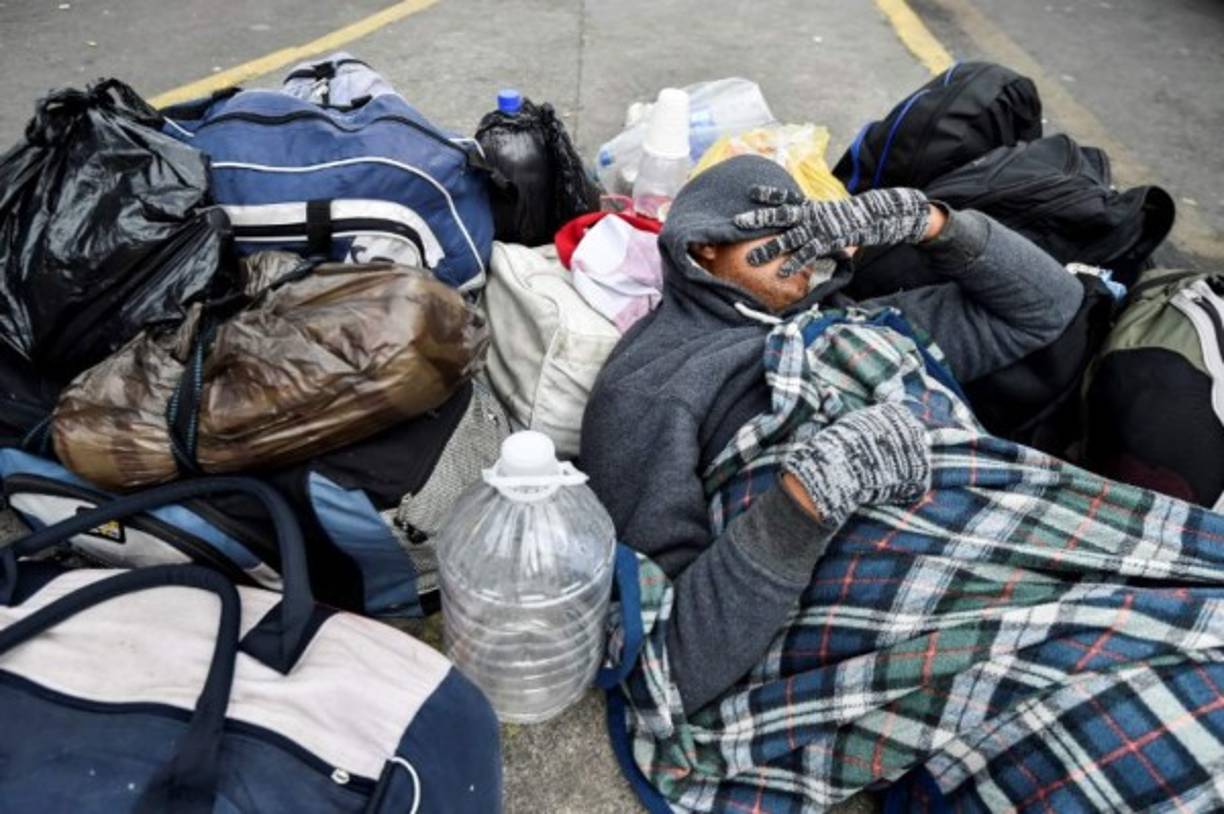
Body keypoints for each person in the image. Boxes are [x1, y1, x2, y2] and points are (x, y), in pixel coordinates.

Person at [580, 154, 1085, 714]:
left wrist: (929, 223)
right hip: (911, 593)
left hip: (1011, 528)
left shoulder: (855, 323)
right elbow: (673, 664)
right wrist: (801, 505)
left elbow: (1048, 308)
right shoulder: (652, 384)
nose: (799, 248)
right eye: (772, 229)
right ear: (704, 244)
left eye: (806, 229)